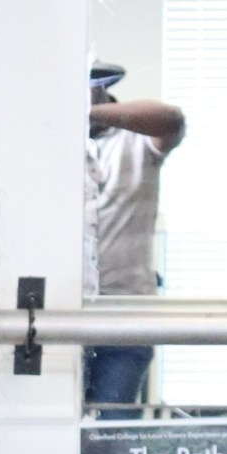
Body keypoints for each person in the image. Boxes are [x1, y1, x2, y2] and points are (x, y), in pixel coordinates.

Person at [84, 62, 185, 411]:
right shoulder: (50, 146)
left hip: (125, 317)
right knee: (53, 432)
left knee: (109, 441)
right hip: (62, 314)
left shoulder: (137, 140)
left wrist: (82, 111)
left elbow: (171, 119)